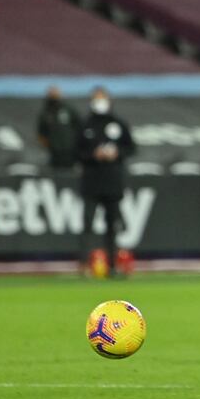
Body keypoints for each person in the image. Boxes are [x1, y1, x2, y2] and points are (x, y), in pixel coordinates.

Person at [77, 87, 136, 277]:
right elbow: (76, 152)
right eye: (96, 98)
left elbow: (131, 148)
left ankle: (112, 266)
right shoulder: (85, 125)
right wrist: (93, 155)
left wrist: (117, 153)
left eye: (102, 98)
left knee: (112, 225)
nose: (99, 102)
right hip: (91, 181)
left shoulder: (118, 124)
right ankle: (84, 265)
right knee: (87, 223)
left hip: (112, 181)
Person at [37, 86, 82, 170]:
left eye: (56, 94)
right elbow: (41, 133)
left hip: (70, 151)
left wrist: (75, 143)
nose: (54, 96)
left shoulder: (68, 110)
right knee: (56, 173)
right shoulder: (45, 113)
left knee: (70, 173)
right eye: (51, 94)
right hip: (54, 152)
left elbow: (79, 126)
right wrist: (50, 146)